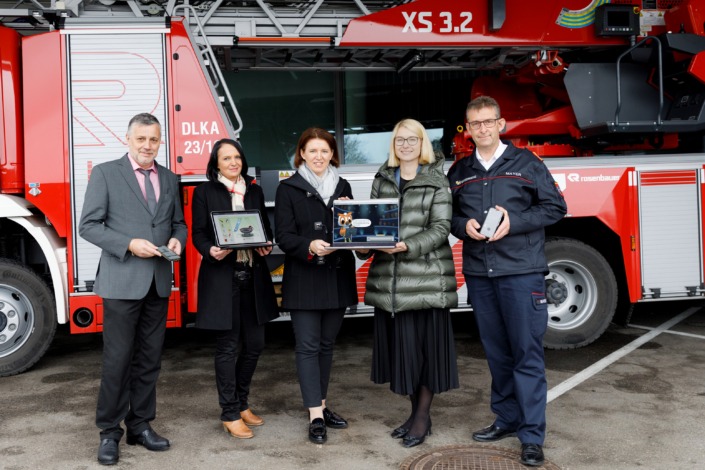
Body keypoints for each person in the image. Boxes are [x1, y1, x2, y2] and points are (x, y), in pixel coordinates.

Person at [447, 96, 567, 467]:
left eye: (488, 122)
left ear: (501, 124)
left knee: (526, 355)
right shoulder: (460, 171)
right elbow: (448, 217)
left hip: (521, 273)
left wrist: (514, 222)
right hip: (481, 275)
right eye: (474, 123)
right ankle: (507, 418)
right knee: (497, 353)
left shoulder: (527, 164)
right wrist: (461, 227)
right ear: (467, 130)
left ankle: (531, 435)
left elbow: (555, 208)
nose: (481, 128)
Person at [79, 113, 187, 466]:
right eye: (141, 139)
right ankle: (109, 433)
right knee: (117, 361)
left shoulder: (170, 178)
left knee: (149, 361)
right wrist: (128, 243)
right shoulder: (106, 173)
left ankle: (140, 425)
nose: (147, 146)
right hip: (122, 281)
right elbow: (89, 225)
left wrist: (178, 240)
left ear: (160, 141)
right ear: (128, 139)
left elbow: (179, 224)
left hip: (157, 282)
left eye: (153, 140)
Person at [357, 118, 458, 448]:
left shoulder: (436, 180)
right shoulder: (383, 177)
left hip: (426, 282)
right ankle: (416, 415)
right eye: (399, 140)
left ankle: (422, 417)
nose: (405, 145)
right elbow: (371, 223)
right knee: (406, 355)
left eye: (411, 140)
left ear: (422, 144)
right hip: (392, 285)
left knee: (426, 354)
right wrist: (360, 240)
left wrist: (407, 246)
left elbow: (442, 228)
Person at [274, 127, 358, 444]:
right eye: (313, 151)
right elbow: (284, 236)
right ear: (302, 155)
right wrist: (309, 245)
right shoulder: (289, 189)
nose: (319, 156)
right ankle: (315, 415)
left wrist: (347, 217)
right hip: (305, 279)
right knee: (308, 347)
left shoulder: (343, 185)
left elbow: (348, 233)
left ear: (332, 154)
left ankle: (321, 404)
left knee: (326, 346)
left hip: (336, 276)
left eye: (325, 151)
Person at [191, 139, 278, 440]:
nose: (233, 162)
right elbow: (198, 233)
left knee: (255, 345)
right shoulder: (204, 192)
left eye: (237, 157)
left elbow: (263, 227)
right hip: (221, 278)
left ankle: (242, 404)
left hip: (252, 276)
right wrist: (209, 250)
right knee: (228, 347)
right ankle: (228, 412)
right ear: (216, 163)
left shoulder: (254, 190)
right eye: (226, 158)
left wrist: (266, 244)